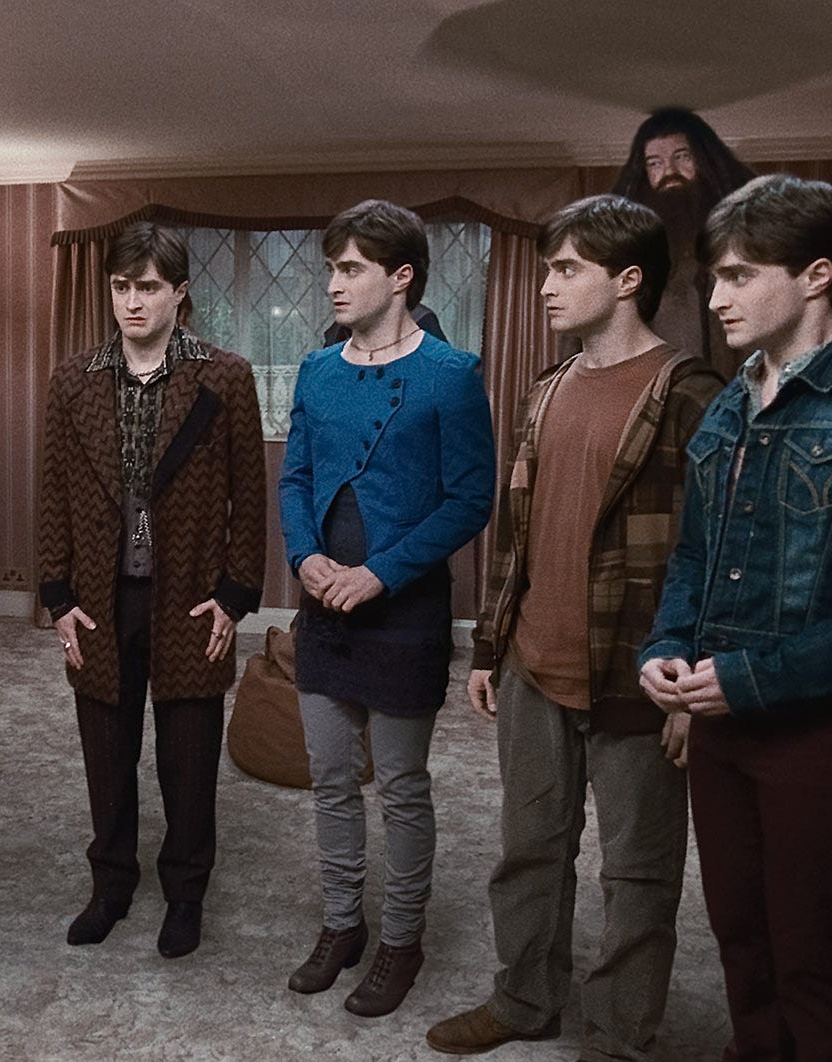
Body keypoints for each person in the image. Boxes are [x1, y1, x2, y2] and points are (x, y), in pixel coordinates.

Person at [640, 174, 832, 1061]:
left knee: (812, 961)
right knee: (741, 944)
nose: (716, 298)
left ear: (817, 275)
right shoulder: (729, 403)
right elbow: (695, 557)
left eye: (739, 275)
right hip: (719, 723)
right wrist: (668, 646)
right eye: (715, 277)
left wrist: (756, 678)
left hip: (826, 730)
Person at [425, 195, 723, 1058]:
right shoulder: (547, 388)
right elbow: (515, 533)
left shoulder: (692, 394)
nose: (547, 286)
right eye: (547, 269)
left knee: (637, 875)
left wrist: (695, 686)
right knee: (528, 852)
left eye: (565, 269)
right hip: (534, 664)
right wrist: (490, 646)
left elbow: (719, 551)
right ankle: (524, 1001)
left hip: (637, 671)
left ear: (627, 279)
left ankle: (619, 1037)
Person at [280, 200, 494, 1016]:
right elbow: (296, 478)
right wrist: (305, 558)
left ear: (401, 277)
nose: (333, 283)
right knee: (331, 779)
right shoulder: (316, 370)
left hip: (402, 612)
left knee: (401, 785)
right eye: (331, 268)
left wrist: (380, 574)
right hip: (323, 610)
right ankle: (343, 926)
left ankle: (402, 941)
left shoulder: (451, 373)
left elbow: (469, 499)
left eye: (351, 268)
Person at [38, 222, 266, 959]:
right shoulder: (73, 379)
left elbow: (248, 496)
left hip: (190, 593)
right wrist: (57, 595)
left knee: (188, 760)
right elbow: (54, 491)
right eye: (120, 287)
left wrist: (234, 594)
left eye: (148, 287)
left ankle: (185, 893)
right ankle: (110, 885)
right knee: (106, 755)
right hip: (99, 597)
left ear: (179, 292)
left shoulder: (224, 377)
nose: (132, 301)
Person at [610, 107, 756, 379]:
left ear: (703, 160)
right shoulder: (624, 249)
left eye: (682, 157)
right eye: (655, 163)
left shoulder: (749, 234)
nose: (670, 172)